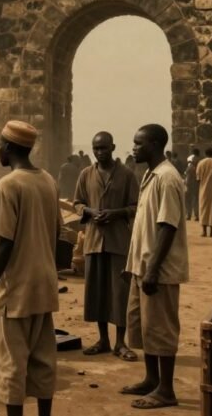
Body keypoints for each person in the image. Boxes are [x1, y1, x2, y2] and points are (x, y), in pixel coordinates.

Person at [0, 120, 61, 416]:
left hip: (16, 289)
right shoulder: (48, 180)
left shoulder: (9, 184)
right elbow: (52, 232)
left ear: (9, 147)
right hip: (44, 284)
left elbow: (5, 243)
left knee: (11, 364)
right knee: (43, 361)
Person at [122, 124, 188, 410]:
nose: (134, 148)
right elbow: (144, 227)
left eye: (139, 143)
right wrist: (133, 264)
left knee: (161, 330)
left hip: (158, 271)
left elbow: (167, 226)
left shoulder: (168, 178)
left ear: (156, 145)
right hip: (142, 266)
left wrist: (152, 270)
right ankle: (151, 379)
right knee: (145, 327)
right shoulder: (150, 175)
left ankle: (166, 390)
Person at [72, 131, 139, 362]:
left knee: (119, 293)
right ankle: (103, 339)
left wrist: (116, 213)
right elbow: (77, 203)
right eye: (96, 148)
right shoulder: (86, 174)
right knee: (97, 292)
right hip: (93, 241)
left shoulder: (127, 175)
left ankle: (120, 342)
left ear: (113, 147)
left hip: (118, 241)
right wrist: (90, 212)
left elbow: (135, 206)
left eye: (103, 148)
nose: (99, 152)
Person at [195, 148, 212, 237]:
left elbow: (198, 179)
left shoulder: (201, 163)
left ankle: (204, 231)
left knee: (203, 209)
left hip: (203, 189)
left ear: (205, 154)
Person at [184, 148, 200, 222]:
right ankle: (196, 215)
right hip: (196, 184)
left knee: (188, 200)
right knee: (195, 200)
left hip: (190, 184)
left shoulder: (190, 166)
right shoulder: (199, 164)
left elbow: (187, 175)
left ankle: (189, 215)